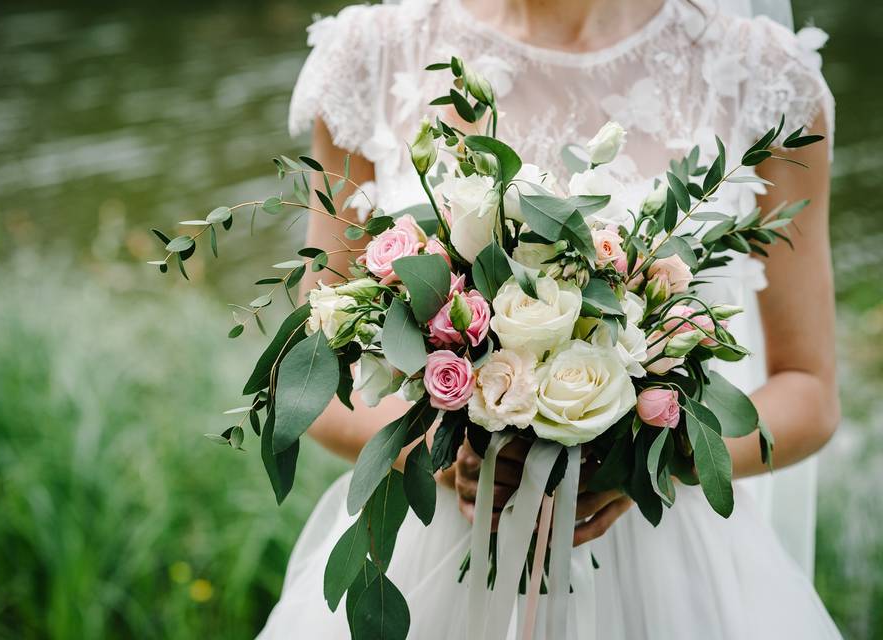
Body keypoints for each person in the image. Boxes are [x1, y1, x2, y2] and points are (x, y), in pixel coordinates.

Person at [259, 0, 841, 637]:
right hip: (438, 544)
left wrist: (647, 456)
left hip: (663, 565)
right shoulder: (372, 55)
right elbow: (311, 376)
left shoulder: (763, 77)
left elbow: (809, 392)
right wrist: (438, 450)